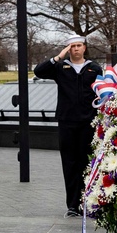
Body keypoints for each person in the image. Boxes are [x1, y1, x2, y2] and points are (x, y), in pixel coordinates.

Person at [33, 34, 103, 217]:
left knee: (87, 161)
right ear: (68, 49)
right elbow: (38, 71)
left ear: (85, 48)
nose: (76, 49)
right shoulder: (60, 67)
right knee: (70, 163)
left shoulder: (94, 68)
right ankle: (72, 205)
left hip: (89, 122)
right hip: (67, 122)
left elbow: (103, 92)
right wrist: (58, 57)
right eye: (72, 46)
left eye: (79, 45)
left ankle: (89, 203)